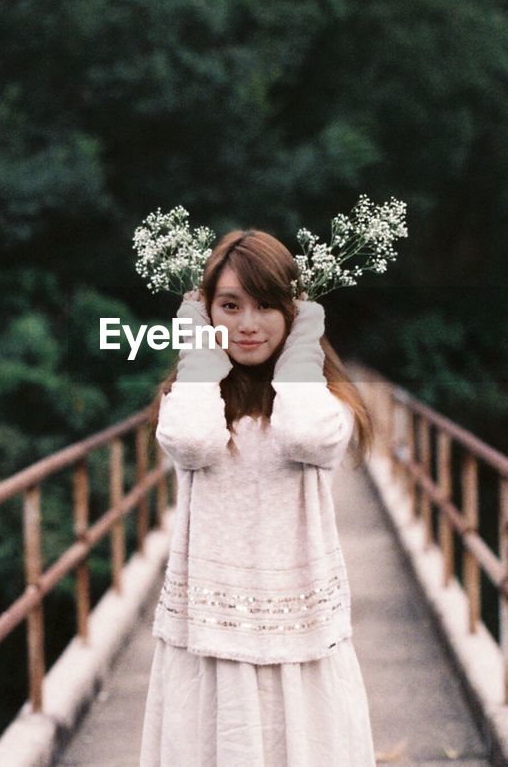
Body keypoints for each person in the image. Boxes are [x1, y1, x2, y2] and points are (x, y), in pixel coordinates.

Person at [138, 228, 378, 767]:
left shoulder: (321, 401)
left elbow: (305, 438)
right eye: (229, 306)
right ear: (205, 314)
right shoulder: (190, 399)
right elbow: (195, 444)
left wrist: (300, 354)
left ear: (295, 314)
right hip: (211, 634)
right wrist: (199, 355)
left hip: (300, 634)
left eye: (267, 305)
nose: (247, 324)